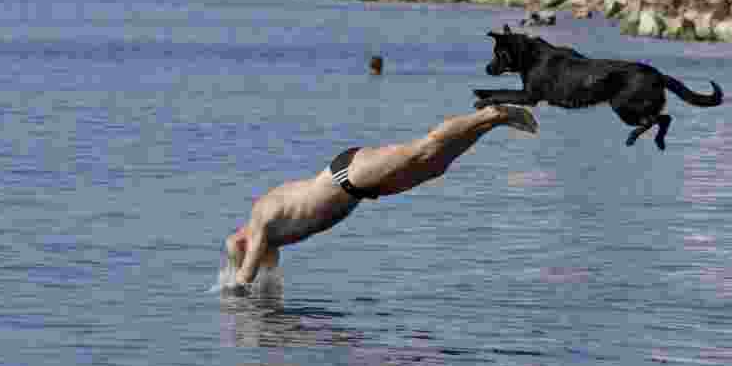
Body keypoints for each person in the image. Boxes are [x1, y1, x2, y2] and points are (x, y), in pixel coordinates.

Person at [224, 105, 539, 290]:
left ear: (242, 242)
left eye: (242, 252)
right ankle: (492, 123)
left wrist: (230, 296)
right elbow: (266, 285)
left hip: (347, 176)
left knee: (423, 150)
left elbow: (244, 281)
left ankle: (489, 112)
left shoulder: (263, 224)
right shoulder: (270, 237)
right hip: (356, 187)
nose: (255, 255)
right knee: (435, 167)